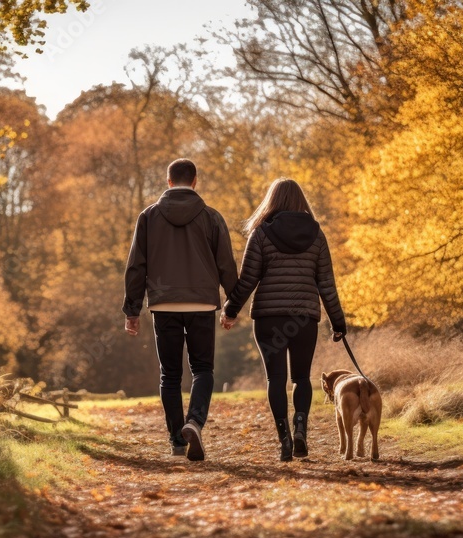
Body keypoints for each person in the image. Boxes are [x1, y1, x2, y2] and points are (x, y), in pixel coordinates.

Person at [221, 179, 346, 462]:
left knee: (275, 378)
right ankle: (301, 425)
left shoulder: (261, 233)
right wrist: (338, 322)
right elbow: (326, 283)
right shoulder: (316, 234)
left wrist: (230, 310)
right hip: (304, 317)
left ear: (272, 200)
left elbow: (248, 279)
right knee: (301, 378)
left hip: (268, 318)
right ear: (301, 200)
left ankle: (285, 439)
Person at [122, 159, 238, 461]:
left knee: (170, 375)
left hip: (163, 303)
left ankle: (176, 440)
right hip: (202, 302)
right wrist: (232, 306)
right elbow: (226, 265)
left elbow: (137, 266)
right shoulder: (212, 217)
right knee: (203, 370)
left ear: (169, 182)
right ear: (195, 181)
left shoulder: (148, 216)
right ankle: (194, 422)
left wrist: (132, 310)